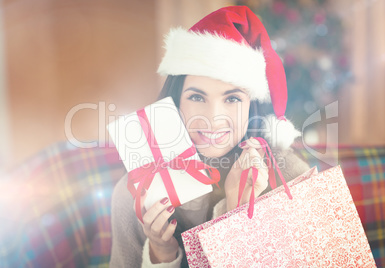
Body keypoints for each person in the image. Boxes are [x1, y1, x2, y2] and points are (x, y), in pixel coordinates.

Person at [109, 6, 310, 267]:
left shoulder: (289, 176)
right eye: (196, 96)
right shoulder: (135, 195)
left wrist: (236, 215)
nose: (213, 118)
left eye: (233, 98)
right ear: (175, 101)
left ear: (252, 105)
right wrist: (161, 254)